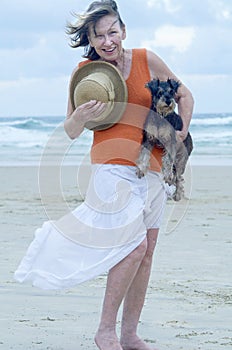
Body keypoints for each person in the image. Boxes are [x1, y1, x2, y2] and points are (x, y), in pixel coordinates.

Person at [15, 1, 194, 349]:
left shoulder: (147, 59)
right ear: (91, 40)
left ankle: (129, 334)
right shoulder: (85, 74)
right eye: (99, 36)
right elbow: (69, 130)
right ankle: (106, 331)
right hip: (111, 170)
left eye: (113, 32)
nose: (107, 40)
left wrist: (181, 133)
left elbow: (185, 94)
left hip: (153, 169)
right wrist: (81, 116)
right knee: (133, 245)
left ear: (124, 31)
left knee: (147, 251)